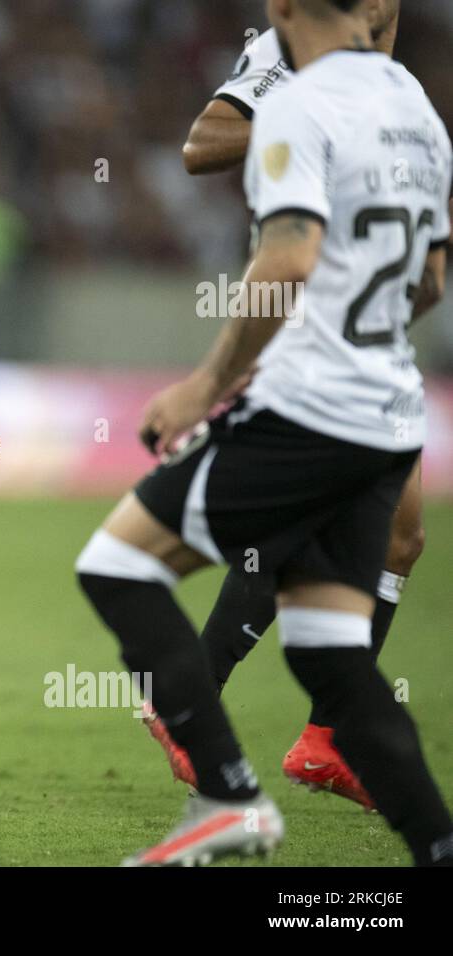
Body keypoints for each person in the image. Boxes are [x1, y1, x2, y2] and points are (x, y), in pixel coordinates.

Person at [76, 0, 453, 865]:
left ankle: (228, 796)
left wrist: (206, 384)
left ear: (283, 7)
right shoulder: (417, 110)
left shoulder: (295, 100)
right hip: (388, 410)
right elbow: (430, 278)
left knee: (119, 564)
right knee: (333, 661)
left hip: (309, 403)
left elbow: (286, 259)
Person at [152, 0, 418, 811]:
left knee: (399, 537)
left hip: (373, 319)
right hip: (311, 301)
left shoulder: (393, 81)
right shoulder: (289, 52)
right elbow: (204, 143)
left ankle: (326, 739)